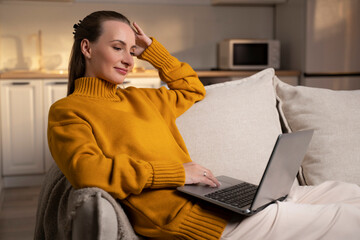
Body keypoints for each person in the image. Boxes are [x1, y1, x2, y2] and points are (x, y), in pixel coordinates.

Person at [48, 10, 360, 240]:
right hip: (194, 220)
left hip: (217, 202)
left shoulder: (143, 99)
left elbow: (191, 89)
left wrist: (154, 52)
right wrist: (178, 172)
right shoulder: (68, 111)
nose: (129, 60)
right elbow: (88, 172)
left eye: (132, 51)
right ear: (87, 48)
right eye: (118, 47)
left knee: (347, 192)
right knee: (349, 217)